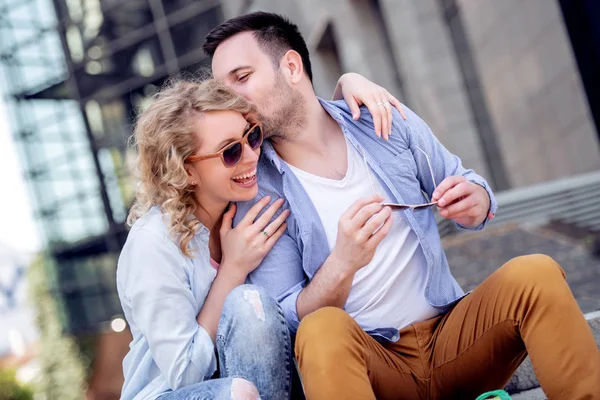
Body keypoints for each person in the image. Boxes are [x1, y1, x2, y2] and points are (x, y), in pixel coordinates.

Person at [203, 11, 600, 400]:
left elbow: (469, 182)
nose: (230, 98)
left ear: (291, 67)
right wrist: (343, 262)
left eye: (242, 77)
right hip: (372, 369)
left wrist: (475, 201)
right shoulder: (257, 190)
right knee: (321, 330)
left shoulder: (379, 117)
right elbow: (287, 318)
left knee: (536, 274)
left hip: (454, 342)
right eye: (222, 87)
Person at [117, 71, 404, 398]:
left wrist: (349, 82)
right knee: (246, 306)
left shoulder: (244, 207)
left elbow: (300, 116)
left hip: (258, 386)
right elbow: (185, 374)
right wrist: (233, 271)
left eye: (252, 137)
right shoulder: (153, 244)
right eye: (230, 153)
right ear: (186, 171)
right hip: (173, 393)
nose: (252, 156)